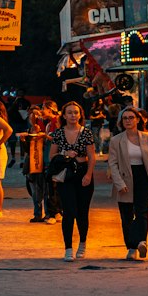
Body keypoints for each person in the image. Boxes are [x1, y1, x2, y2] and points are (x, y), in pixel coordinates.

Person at [108, 105, 148, 260]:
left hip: (143, 176)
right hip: (125, 178)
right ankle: (131, 247)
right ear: (121, 121)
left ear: (138, 120)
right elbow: (112, 164)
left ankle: (142, 241)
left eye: (131, 117)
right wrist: (119, 183)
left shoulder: (147, 138)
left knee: (142, 211)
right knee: (126, 214)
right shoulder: (116, 140)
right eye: (125, 118)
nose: (128, 120)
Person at [50, 101, 96, 260]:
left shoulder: (86, 133)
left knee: (82, 213)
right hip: (66, 174)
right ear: (63, 115)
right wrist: (65, 153)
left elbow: (92, 156)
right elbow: (51, 156)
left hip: (83, 173)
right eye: (69, 112)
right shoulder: (58, 133)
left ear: (80, 115)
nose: (73, 115)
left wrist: (89, 175)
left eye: (76, 112)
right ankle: (68, 248)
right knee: (69, 212)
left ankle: (82, 243)